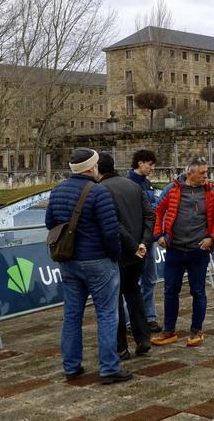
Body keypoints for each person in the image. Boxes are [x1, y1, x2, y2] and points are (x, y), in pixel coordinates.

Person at [44, 148, 132, 384]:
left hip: (69, 261)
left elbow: (50, 223)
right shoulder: (99, 192)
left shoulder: (58, 190)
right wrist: (115, 256)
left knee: (72, 315)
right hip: (98, 261)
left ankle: (71, 366)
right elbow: (110, 232)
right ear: (92, 167)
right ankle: (109, 368)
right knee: (107, 314)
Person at [150, 156, 214, 348]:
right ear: (190, 173)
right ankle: (169, 331)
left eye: (207, 172)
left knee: (198, 291)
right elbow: (157, 211)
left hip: (199, 251)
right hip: (174, 250)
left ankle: (196, 331)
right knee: (170, 291)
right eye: (202, 173)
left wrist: (211, 238)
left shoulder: (211, 192)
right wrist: (159, 235)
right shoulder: (172, 189)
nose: (206, 176)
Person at [96, 152, 155, 360]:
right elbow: (150, 215)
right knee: (134, 293)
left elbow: (113, 222)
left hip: (119, 253)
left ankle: (121, 345)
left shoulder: (101, 189)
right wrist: (144, 242)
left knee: (115, 300)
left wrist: (134, 245)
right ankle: (143, 337)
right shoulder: (134, 185)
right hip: (138, 252)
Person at [125, 149, 163, 333]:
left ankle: (148, 317)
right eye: (150, 164)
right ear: (139, 163)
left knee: (150, 279)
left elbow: (152, 207)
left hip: (149, 239)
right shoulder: (128, 183)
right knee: (133, 283)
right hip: (136, 240)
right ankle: (131, 321)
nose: (152, 168)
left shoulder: (146, 184)